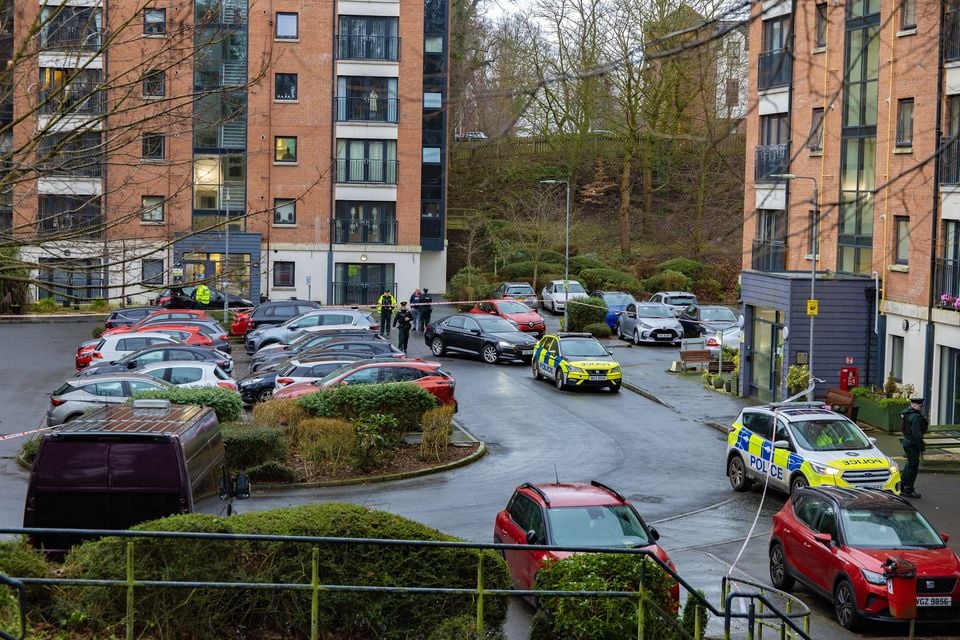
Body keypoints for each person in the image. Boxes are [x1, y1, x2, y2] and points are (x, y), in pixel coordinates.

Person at [900, 397, 928, 499]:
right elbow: (917, 434)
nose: (921, 408)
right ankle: (909, 489)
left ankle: (902, 486)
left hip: (907, 442)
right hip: (912, 444)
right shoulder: (915, 416)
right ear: (915, 405)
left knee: (909, 465)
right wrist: (921, 447)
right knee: (913, 467)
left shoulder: (906, 413)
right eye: (920, 406)